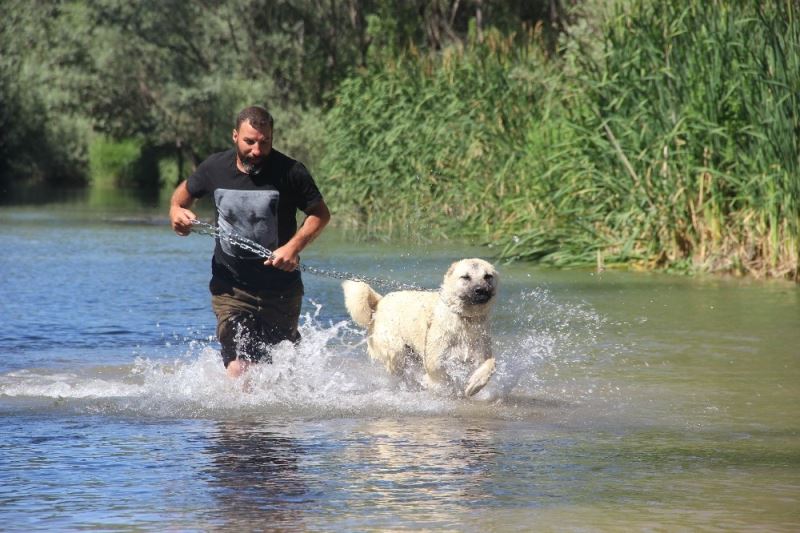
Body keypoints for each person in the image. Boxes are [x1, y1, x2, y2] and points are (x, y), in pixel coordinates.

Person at [169, 105, 331, 378]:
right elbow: (181, 198)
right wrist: (176, 213)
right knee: (239, 366)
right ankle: (236, 408)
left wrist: (293, 247)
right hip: (231, 289)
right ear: (235, 136)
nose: (257, 150)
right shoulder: (214, 167)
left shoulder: (291, 171)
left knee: (278, 370)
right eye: (249, 142)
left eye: (264, 142)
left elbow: (320, 214)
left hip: (281, 290)